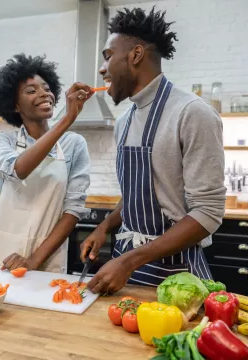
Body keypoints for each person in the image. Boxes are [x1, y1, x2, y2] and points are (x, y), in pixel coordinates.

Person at [80, 7, 226, 294]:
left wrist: (128, 262)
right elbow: (139, 192)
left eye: (108, 57)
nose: (101, 69)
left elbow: (208, 213)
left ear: (135, 55)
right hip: (127, 270)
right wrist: (105, 226)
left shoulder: (192, 113)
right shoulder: (124, 121)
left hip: (177, 276)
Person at [0, 53, 94, 274]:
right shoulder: (1, 141)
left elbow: (73, 210)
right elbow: (17, 169)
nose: (43, 94)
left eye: (46, 88)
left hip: (46, 256)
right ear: (15, 105)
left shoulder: (74, 144)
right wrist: (66, 120)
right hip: (2, 252)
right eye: (31, 90)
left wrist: (33, 260)